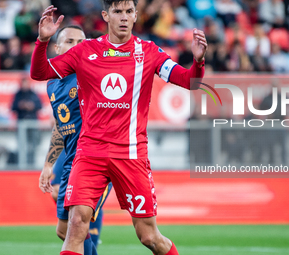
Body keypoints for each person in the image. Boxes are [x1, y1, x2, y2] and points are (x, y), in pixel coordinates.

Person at [31, 1, 207, 254]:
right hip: (90, 153)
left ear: (135, 15)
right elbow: (39, 72)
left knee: (149, 236)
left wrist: (198, 62)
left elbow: (189, 82)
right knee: (75, 224)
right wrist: (42, 42)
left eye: (128, 12)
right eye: (117, 12)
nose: (123, 17)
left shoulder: (149, 52)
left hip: (131, 155)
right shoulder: (86, 51)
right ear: (106, 15)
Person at [39, 25, 111, 255]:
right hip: (70, 161)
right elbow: (61, 127)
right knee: (63, 230)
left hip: (94, 160)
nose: (76, 46)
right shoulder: (52, 83)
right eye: (70, 41)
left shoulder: (88, 75)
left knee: (76, 225)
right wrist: (48, 165)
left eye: (81, 42)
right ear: (57, 47)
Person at [11, 75, 42, 165]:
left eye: (26, 83)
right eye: (23, 83)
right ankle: (21, 164)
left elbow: (40, 106)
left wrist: (31, 106)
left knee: (33, 145)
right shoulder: (18, 94)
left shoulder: (33, 93)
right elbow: (13, 107)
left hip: (32, 123)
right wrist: (21, 105)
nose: (25, 85)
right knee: (21, 145)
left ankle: (31, 163)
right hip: (21, 124)